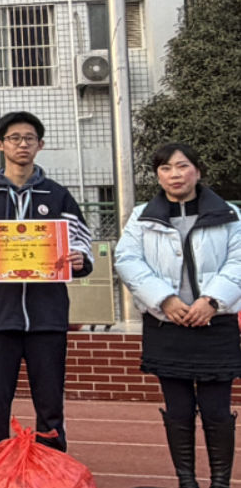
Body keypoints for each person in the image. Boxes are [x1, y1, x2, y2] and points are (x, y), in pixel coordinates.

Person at [0, 112, 92, 451]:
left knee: (50, 400)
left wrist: (80, 260)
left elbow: (83, 246)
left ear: (40, 145)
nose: (22, 144)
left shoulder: (58, 196)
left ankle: (53, 464)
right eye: (14, 138)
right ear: (0, 145)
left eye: (29, 138)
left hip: (47, 316)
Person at [117, 143, 240, 488]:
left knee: (216, 410)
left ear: (197, 171)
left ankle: (220, 482)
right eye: (166, 168)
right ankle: (186, 481)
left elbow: (238, 261)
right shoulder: (142, 217)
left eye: (183, 166)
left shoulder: (229, 214)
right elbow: (128, 261)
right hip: (166, 325)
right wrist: (165, 300)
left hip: (215, 325)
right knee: (178, 410)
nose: (175, 174)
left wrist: (212, 300)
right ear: (158, 176)